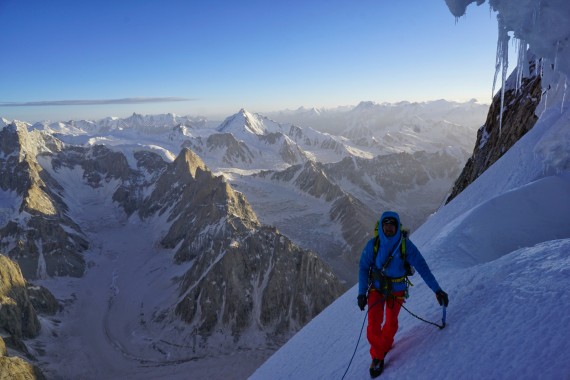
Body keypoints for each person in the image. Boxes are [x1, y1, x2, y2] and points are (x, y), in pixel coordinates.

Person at [357, 211, 449, 378]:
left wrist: (437, 290)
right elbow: (364, 268)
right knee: (373, 325)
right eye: (386, 225)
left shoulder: (406, 245)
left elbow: (422, 267)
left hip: (396, 290)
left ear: (397, 226)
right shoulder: (374, 245)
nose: (389, 229)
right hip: (376, 290)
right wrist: (361, 293)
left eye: (392, 226)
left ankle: (384, 345)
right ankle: (378, 357)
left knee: (391, 323)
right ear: (382, 226)